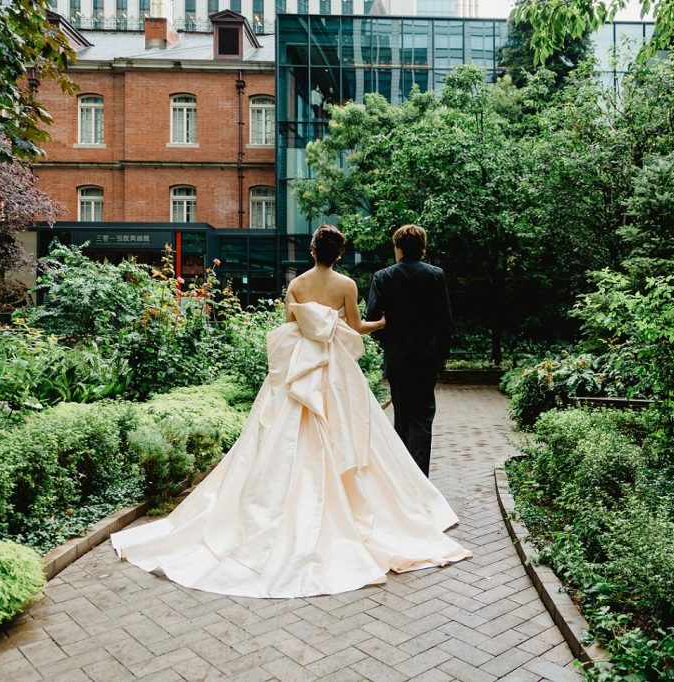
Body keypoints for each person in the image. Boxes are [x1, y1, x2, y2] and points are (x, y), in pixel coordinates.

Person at [110, 225, 470, 599]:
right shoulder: (347, 285)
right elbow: (357, 326)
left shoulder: (296, 285)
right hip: (334, 370)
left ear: (313, 251)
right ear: (339, 255)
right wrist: (382, 323)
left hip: (301, 368)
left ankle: (282, 502)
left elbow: (289, 328)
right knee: (349, 427)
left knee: (283, 436)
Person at [366, 225, 452, 478]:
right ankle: (420, 480)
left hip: (397, 358)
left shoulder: (383, 277)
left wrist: (389, 340)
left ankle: (403, 480)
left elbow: (373, 318)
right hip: (426, 358)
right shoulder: (436, 275)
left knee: (402, 419)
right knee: (423, 419)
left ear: (399, 247)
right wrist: (442, 355)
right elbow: (444, 320)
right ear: (422, 246)